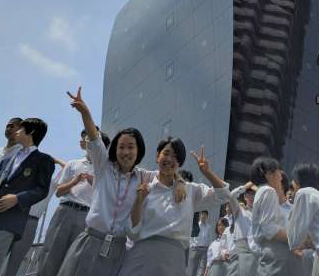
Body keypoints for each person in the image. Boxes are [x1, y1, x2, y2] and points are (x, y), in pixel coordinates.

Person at [56, 87, 151, 276]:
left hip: (118, 249)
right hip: (90, 240)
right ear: (115, 149)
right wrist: (85, 112)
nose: (125, 152)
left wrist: (179, 183)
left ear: (139, 150)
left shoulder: (144, 176)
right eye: (121, 147)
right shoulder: (104, 166)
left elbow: (167, 175)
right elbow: (94, 139)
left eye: (131, 147)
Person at [119, 138, 230, 276]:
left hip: (174, 262)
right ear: (157, 155)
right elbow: (132, 232)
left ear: (180, 163)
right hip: (142, 258)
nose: (169, 159)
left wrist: (207, 172)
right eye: (166, 153)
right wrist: (139, 199)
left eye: (175, 157)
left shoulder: (189, 190)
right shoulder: (145, 188)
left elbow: (223, 195)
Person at [36, 130, 109, 276]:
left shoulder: (105, 170)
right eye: (88, 142)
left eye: (95, 143)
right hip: (65, 211)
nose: (90, 146)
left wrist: (93, 182)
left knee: (74, 259)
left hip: (87, 216)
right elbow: (59, 192)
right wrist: (74, 181)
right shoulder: (73, 164)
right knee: (50, 252)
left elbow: (106, 197)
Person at [0, 118, 54, 276]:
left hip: (7, 221)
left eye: (21, 129)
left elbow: (42, 190)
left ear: (31, 132)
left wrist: (17, 198)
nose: (16, 131)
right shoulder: (8, 157)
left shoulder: (43, 160)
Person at [3, 157, 66, 276]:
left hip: (31, 223)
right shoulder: (27, 176)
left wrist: (56, 160)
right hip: (13, 216)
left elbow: (68, 168)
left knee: (14, 263)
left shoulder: (52, 183)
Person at [251, 157, 300, 276]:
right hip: (276, 253)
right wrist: (295, 240)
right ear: (269, 174)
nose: (281, 178)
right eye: (279, 173)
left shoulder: (262, 191)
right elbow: (270, 229)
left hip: (271, 251)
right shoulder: (268, 191)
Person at [223, 181, 259, 276]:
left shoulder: (260, 214)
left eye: (253, 194)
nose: (251, 197)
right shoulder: (239, 210)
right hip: (240, 247)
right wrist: (245, 187)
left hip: (254, 249)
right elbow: (231, 196)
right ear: (244, 197)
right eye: (248, 194)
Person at [187, 210, 213, 276]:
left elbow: (210, 238)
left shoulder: (209, 227)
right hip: (195, 248)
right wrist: (192, 245)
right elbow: (191, 237)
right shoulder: (196, 225)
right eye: (202, 214)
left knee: (202, 268)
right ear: (200, 216)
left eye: (205, 215)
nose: (203, 216)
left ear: (207, 217)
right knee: (193, 267)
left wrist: (209, 248)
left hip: (205, 249)